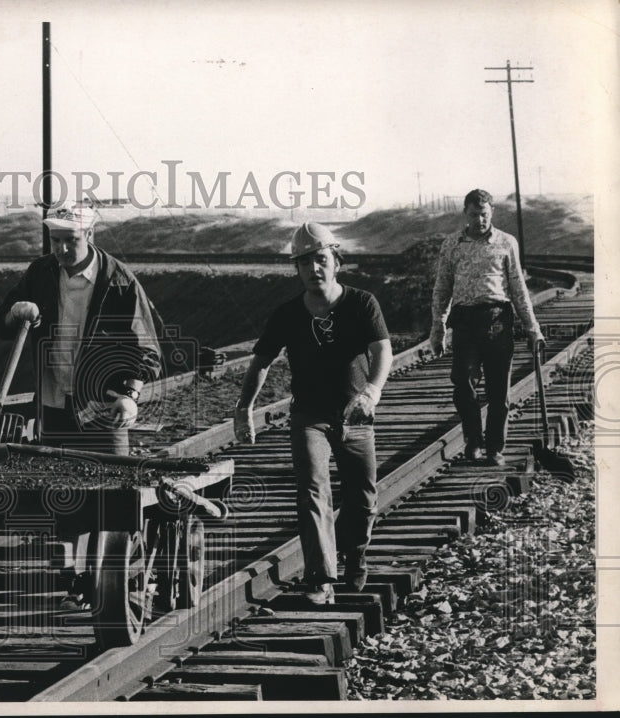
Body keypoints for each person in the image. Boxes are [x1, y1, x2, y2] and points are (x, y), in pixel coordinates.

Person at [233, 222, 392, 605]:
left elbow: (382, 350)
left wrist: (372, 391)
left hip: (356, 414)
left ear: (336, 261)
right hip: (309, 416)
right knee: (313, 490)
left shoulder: (361, 303)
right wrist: (244, 408)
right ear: (297, 269)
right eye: (304, 263)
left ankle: (354, 552)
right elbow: (261, 362)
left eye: (320, 260)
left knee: (363, 498)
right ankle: (321, 579)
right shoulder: (288, 314)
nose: (313, 269)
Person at [0, 204, 162, 455]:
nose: (61, 249)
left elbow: (146, 349)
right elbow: (2, 327)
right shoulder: (40, 273)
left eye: (71, 240)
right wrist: (15, 313)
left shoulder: (119, 281)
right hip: (52, 407)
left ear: (90, 234)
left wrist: (129, 395)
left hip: (103, 408)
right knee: (53, 485)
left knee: (113, 485)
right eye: (55, 240)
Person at [429, 189, 544, 467]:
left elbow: (518, 289)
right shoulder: (452, 244)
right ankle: (473, 440)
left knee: (498, 391)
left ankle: (494, 447)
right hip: (465, 321)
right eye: (473, 215)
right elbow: (442, 287)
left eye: (484, 214)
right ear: (465, 214)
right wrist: (438, 326)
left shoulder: (506, 243)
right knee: (463, 384)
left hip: (497, 320)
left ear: (491, 213)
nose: (479, 220)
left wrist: (533, 328)